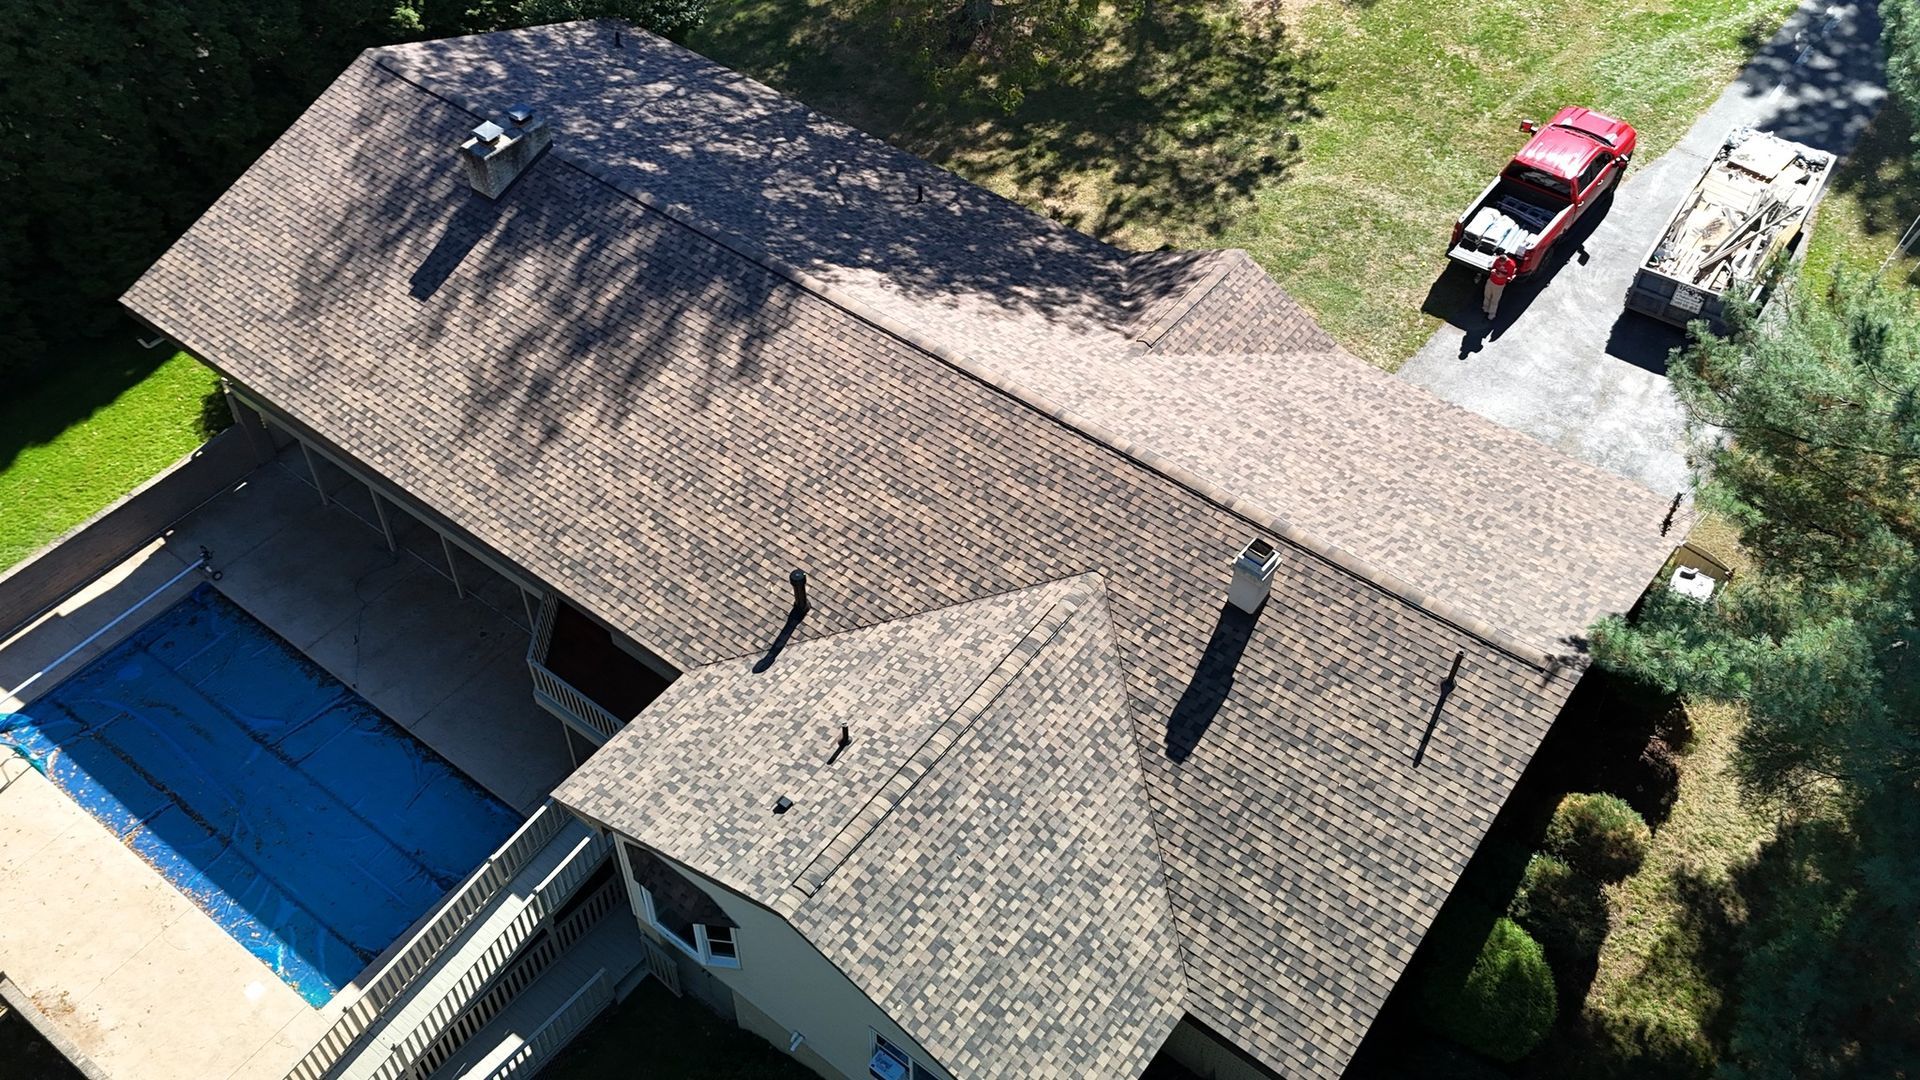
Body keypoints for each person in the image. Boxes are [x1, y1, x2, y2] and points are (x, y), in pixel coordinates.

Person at [1483, 253, 1518, 322]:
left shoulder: (1511, 265)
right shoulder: (1497, 260)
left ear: (1505, 260)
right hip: (1491, 281)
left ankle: (1492, 314)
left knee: (1495, 300)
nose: (1500, 264)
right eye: (1499, 263)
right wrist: (1493, 270)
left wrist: (1503, 276)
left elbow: (1510, 277)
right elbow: (1493, 267)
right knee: (1487, 295)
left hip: (1499, 285)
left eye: (1502, 263)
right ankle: (1485, 308)